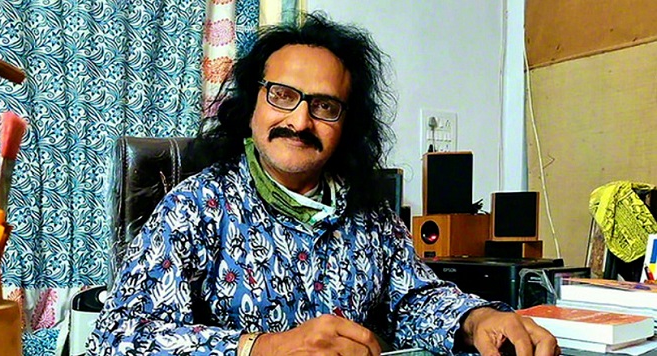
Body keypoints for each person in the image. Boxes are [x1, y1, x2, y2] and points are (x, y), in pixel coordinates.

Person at [88, 12, 559, 356]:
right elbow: (117, 337)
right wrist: (263, 349)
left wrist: (477, 320)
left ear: (346, 125)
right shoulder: (196, 206)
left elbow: (414, 298)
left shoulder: (369, 214)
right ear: (251, 104)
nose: (300, 121)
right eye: (283, 96)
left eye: (325, 106)